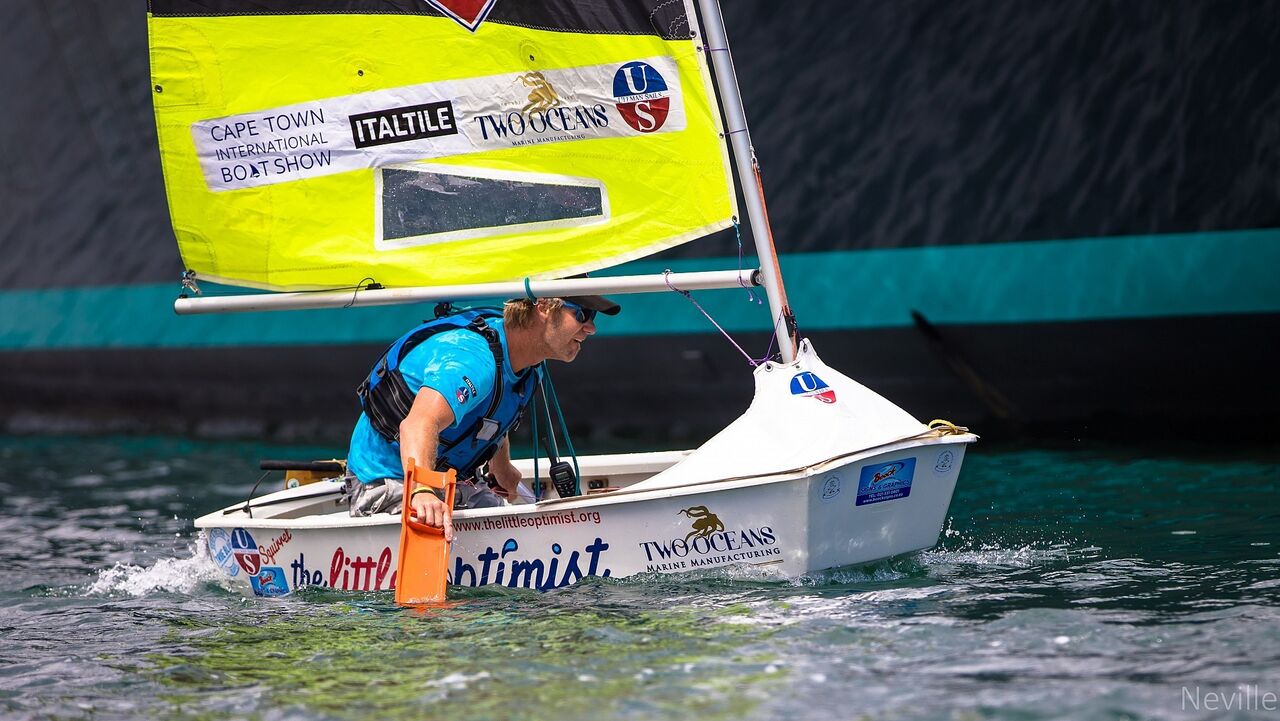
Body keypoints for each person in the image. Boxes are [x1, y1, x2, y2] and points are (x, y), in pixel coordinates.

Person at [344, 293, 620, 540]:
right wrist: (423, 490)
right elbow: (418, 424)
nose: (591, 328)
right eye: (582, 315)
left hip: (448, 483)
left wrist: (502, 466)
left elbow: (491, 413)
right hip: (389, 481)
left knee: (515, 534)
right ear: (545, 306)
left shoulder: (528, 366)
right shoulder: (473, 360)